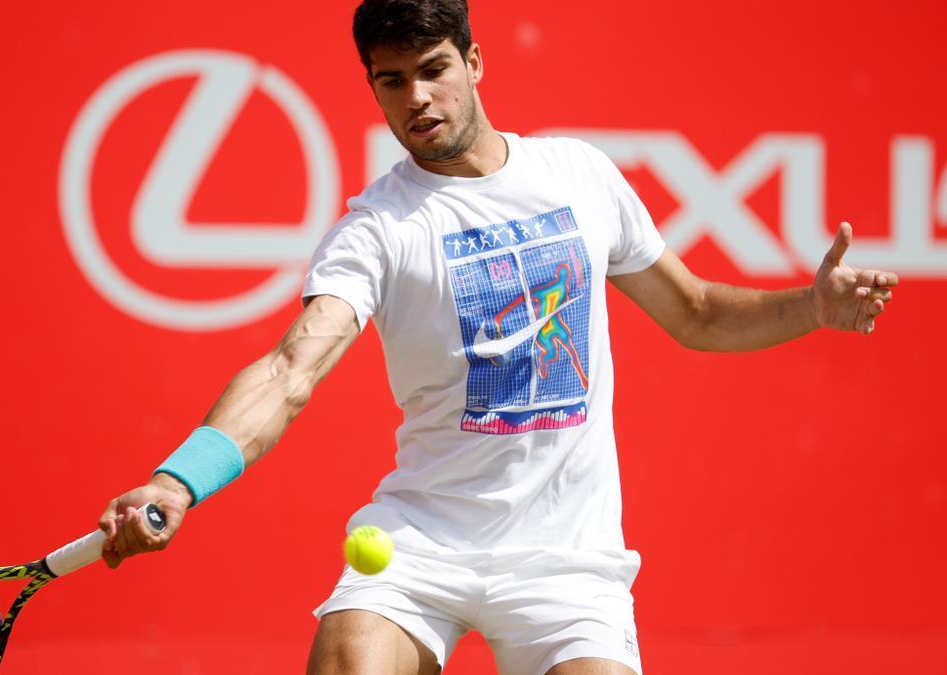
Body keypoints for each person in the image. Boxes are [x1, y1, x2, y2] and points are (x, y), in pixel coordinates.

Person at [94, 1, 898, 673]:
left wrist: (813, 306)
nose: (417, 98)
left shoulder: (579, 174)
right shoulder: (376, 228)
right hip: (421, 545)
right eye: (391, 80)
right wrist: (177, 481)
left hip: (569, 560)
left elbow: (698, 313)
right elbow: (289, 369)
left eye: (434, 69)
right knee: (347, 659)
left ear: (475, 62)